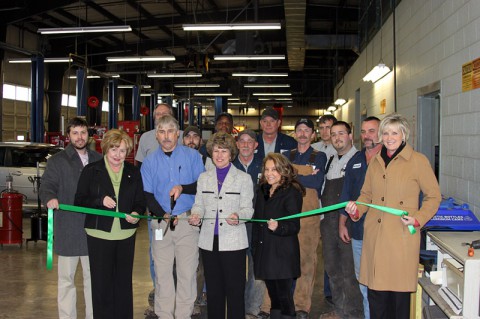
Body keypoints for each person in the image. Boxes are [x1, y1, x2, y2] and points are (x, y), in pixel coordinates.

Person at [345, 113, 441, 319]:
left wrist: (418, 219)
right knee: (376, 297)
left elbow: (434, 196)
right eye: (386, 133)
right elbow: (366, 195)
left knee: (398, 302)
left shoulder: (418, 161)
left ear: (404, 135)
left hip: (401, 237)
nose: (389, 137)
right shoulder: (376, 162)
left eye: (394, 133)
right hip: (375, 238)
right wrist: (356, 211)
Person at [74, 129, 146, 319]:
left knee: (123, 284)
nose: (118, 155)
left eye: (122, 151)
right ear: (106, 148)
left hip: (125, 236)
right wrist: (99, 200)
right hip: (99, 235)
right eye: (114, 150)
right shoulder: (91, 170)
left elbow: (140, 201)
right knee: (101, 284)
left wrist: (136, 213)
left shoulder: (133, 172)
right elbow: (79, 200)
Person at [141, 115, 205, 319]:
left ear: (177, 134)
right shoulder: (149, 161)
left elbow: (201, 186)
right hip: (161, 225)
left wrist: (182, 188)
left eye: (170, 131)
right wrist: (163, 214)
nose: (166, 136)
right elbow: (147, 195)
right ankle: (164, 314)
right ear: (157, 135)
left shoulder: (192, 157)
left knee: (187, 274)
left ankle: (184, 315)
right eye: (162, 131)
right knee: (162, 273)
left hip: (187, 222)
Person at [40, 117, 102, 319]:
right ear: (68, 136)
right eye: (75, 133)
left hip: (93, 229)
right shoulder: (57, 161)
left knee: (93, 280)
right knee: (66, 280)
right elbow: (47, 186)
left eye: (83, 132)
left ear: (89, 135)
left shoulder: (98, 159)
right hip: (68, 229)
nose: (79, 137)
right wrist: (50, 198)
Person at [189, 132, 254, 319]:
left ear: (231, 153)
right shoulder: (204, 178)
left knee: (235, 291)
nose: (219, 155)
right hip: (209, 242)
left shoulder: (243, 178)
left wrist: (238, 216)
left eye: (224, 151)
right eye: (216, 150)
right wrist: (196, 215)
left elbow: (248, 210)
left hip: (234, 243)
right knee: (214, 292)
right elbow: (198, 204)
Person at [135, 102, 181, 318]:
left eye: (165, 115)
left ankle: (177, 297)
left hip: (178, 210)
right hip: (155, 212)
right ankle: (159, 292)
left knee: (181, 256)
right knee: (156, 253)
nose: (160, 118)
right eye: (157, 116)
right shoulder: (146, 139)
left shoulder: (177, 138)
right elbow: (139, 173)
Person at [338, 116, 381, 319]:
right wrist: (342, 223)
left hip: (383, 233)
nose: (366, 136)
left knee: (381, 280)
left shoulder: (389, 160)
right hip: (358, 231)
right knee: (362, 279)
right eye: (363, 132)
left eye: (371, 131)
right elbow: (346, 193)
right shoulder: (355, 160)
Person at [283, 118, 326, 319]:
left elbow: (316, 182)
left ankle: (301, 305)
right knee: (282, 259)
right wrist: (304, 175)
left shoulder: (320, 156)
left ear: (312, 134)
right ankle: (280, 303)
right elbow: (278, 178)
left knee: (306, 261)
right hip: (286, 214)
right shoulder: (285, 155)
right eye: (299, 130)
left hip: (309, 218)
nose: (302, 133)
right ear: (295, 133)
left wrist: (291, 174)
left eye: (306, 130)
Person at [252, 153, 304, 319]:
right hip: (265, 251)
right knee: (274, 296)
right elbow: (256, 221)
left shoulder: (291, 192)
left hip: (282, 254)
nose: (269, 173)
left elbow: (294, 225)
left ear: (284, 170)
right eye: (267, 169)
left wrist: (279, 226)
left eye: (274, 169)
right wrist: (255, 248)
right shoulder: (262, 190)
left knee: (284, 297)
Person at [320, 121, 363, 319]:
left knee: (349, 272)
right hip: (328, 224)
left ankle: (353, 314)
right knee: (332, 269)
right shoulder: (330, 160)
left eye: (341, 133)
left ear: (350, 135)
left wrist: (344, 221)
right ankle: (339, 310)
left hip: (347, 223)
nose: (337, 138)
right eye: (333, 134)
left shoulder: (359, 160)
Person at [232, 129, 265, 318]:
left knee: (257, 269)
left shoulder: (265, 167)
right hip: (233, 225)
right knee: (235, 269)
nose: (245, 144)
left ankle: (252, 309)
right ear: (236, 144)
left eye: (250, 141)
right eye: (242, 141)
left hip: (257, 225)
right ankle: (236, 308)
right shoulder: (228, 166)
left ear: (256, 145)